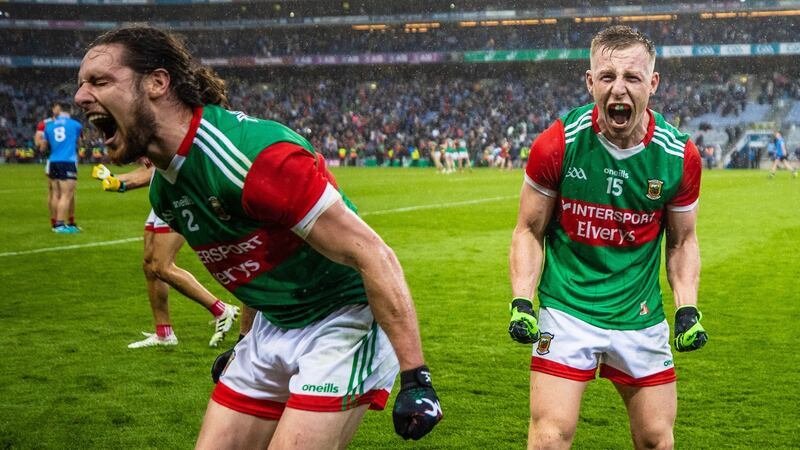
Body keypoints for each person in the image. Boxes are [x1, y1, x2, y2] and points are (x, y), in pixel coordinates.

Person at [74, 26, 442, 448]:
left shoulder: (253, 158)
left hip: (343, 318)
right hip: (273, 323)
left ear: (157, 82)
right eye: (81, 84)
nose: (81, 96)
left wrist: (416, 377)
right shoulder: (166, 191)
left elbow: (374, 255)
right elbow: (256, 265)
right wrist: (245, 341)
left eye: (100, 81)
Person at [508, 26, 708, 450]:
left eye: (632, 77)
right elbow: (528, 229)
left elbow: (682, 242)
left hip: (640, 315)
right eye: (607, 76)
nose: (619, 88)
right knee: (549, 437)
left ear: (653, 83)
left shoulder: (678, 156)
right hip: (567, 309)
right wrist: (522, 300)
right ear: (590, 82)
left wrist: (687, 307)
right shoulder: (557, 143)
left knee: (656, 440)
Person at [90, 163, 241, 348]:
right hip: (163, 197)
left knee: (162, 266)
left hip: (179, 197)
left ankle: (221, 310)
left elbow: (163, 167)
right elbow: (151, 170)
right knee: (149, 265)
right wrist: (114, 177)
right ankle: (164, 333)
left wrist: (122, 184)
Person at [41, 101, 82, 233]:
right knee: (67, 194)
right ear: (70, 110)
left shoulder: (49, 126)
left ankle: (55, 223)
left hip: (53, 161)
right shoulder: (76, 125)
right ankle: (60, 225)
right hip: (67, 161)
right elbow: (79, 142)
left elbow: (43, 147)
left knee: (55, 194)